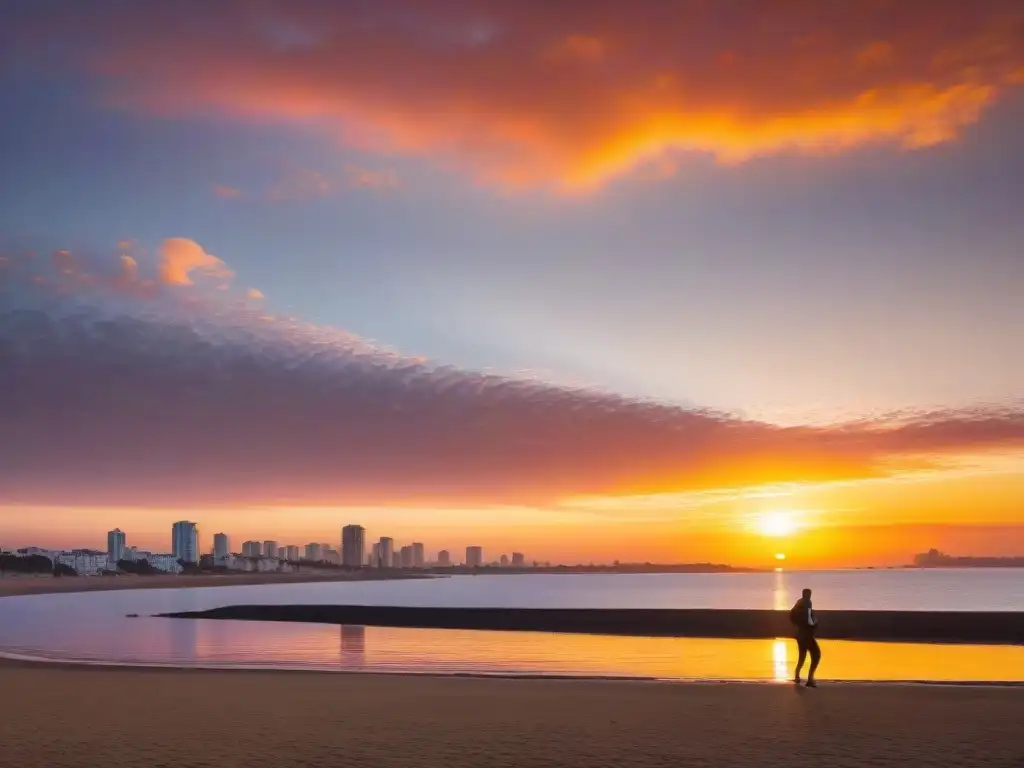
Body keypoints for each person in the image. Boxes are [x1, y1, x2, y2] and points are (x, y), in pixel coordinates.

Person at [789, 587, 821, 687]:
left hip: (799, 634)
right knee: (816, 654)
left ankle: (797, 676)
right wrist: (814, 622)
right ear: (807, 595)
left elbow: (791, 616)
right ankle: (810, 679)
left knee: (802, 656)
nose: (809, 596)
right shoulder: (808, 603)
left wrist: (797, 626)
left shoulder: (798, 603)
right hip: (806, 634)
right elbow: (809, 619)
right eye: (809, 594)